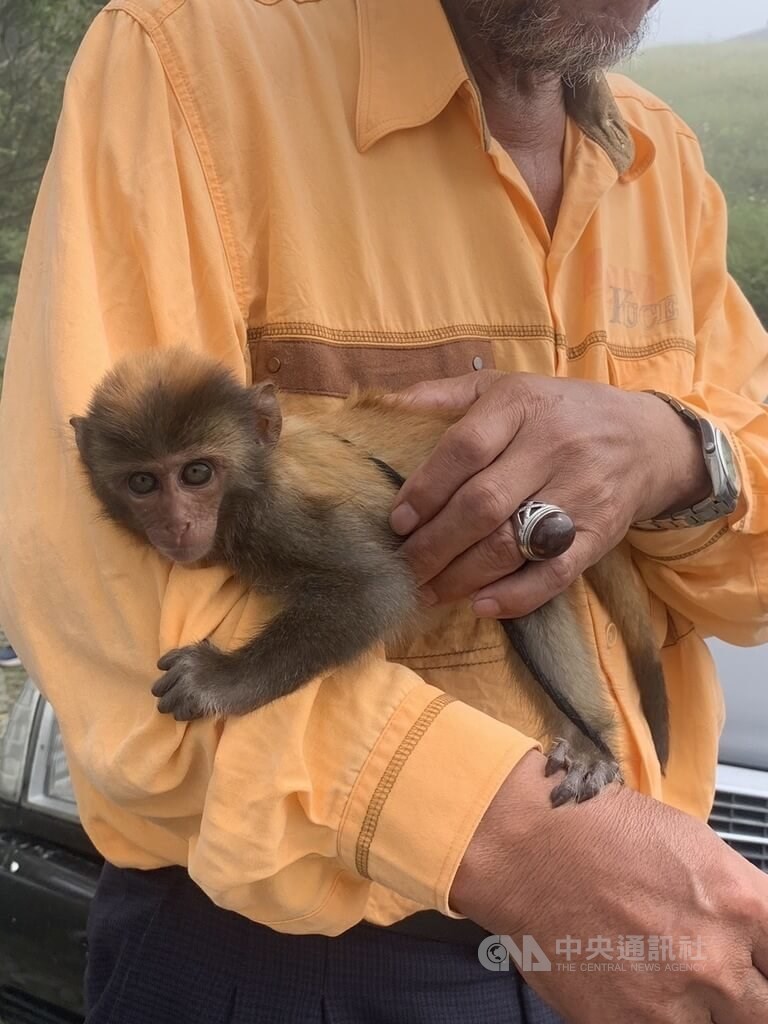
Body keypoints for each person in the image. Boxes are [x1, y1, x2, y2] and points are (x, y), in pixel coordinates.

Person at [0, 0, 767, 1021]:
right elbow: (89, 592)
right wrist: (516, 840)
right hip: (302, 961)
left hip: (656, 925)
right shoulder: (189, 63)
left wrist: (676, 451)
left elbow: (747, 591)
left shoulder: (661, 163)